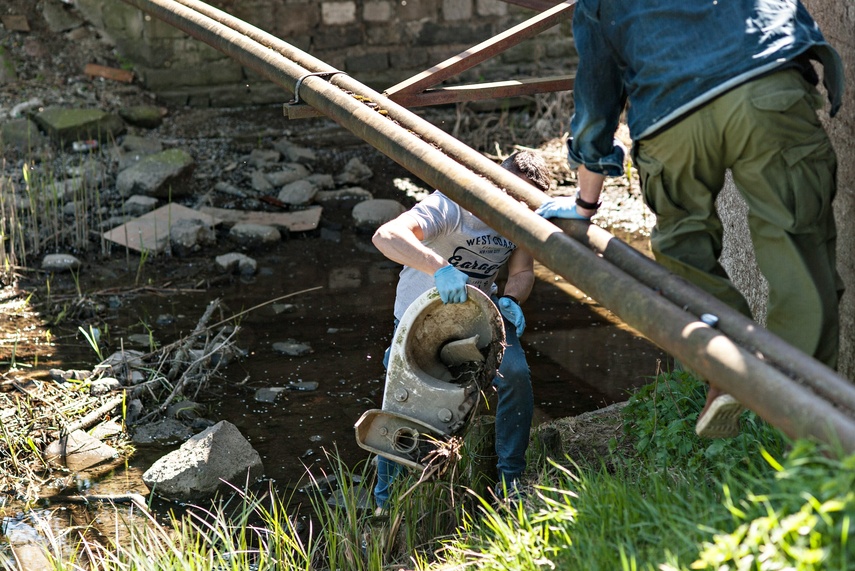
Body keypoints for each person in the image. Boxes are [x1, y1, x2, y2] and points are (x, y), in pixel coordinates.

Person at [535, 1, 844, 439]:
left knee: (683, 246)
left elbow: (596, 97)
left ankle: (728, 366)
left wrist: (584, 205)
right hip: (765, 83)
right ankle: (806, 430)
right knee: (800, 252)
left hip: (671, 115)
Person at [371, 150, 551, 509]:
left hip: (478, 318)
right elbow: (385, 235)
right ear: (494, 182)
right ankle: (384, 504)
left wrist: (512, 299)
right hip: (420, 318)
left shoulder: (518, 221)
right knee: (403, 404)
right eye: (510, 195)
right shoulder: (453, 206)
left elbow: (522, 272)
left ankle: (510, 482)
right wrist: (439, 267)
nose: (513, 207)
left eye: (524, 202)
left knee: (515, 375)